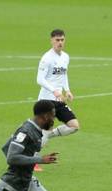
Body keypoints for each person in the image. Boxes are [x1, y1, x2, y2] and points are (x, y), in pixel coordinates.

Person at [35, 28, 80, 171]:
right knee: (45, 131)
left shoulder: (65, 57)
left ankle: (49, 134)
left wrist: (67, 90)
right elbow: (39, 79)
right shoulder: (46, 58)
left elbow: (64, 75)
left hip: (59, 99)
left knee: (74, 126)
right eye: (57, 40)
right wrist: (54, 90)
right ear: (52, 41)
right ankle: (33, 161)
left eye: (62, 40)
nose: (60, 42)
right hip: (46, 100)